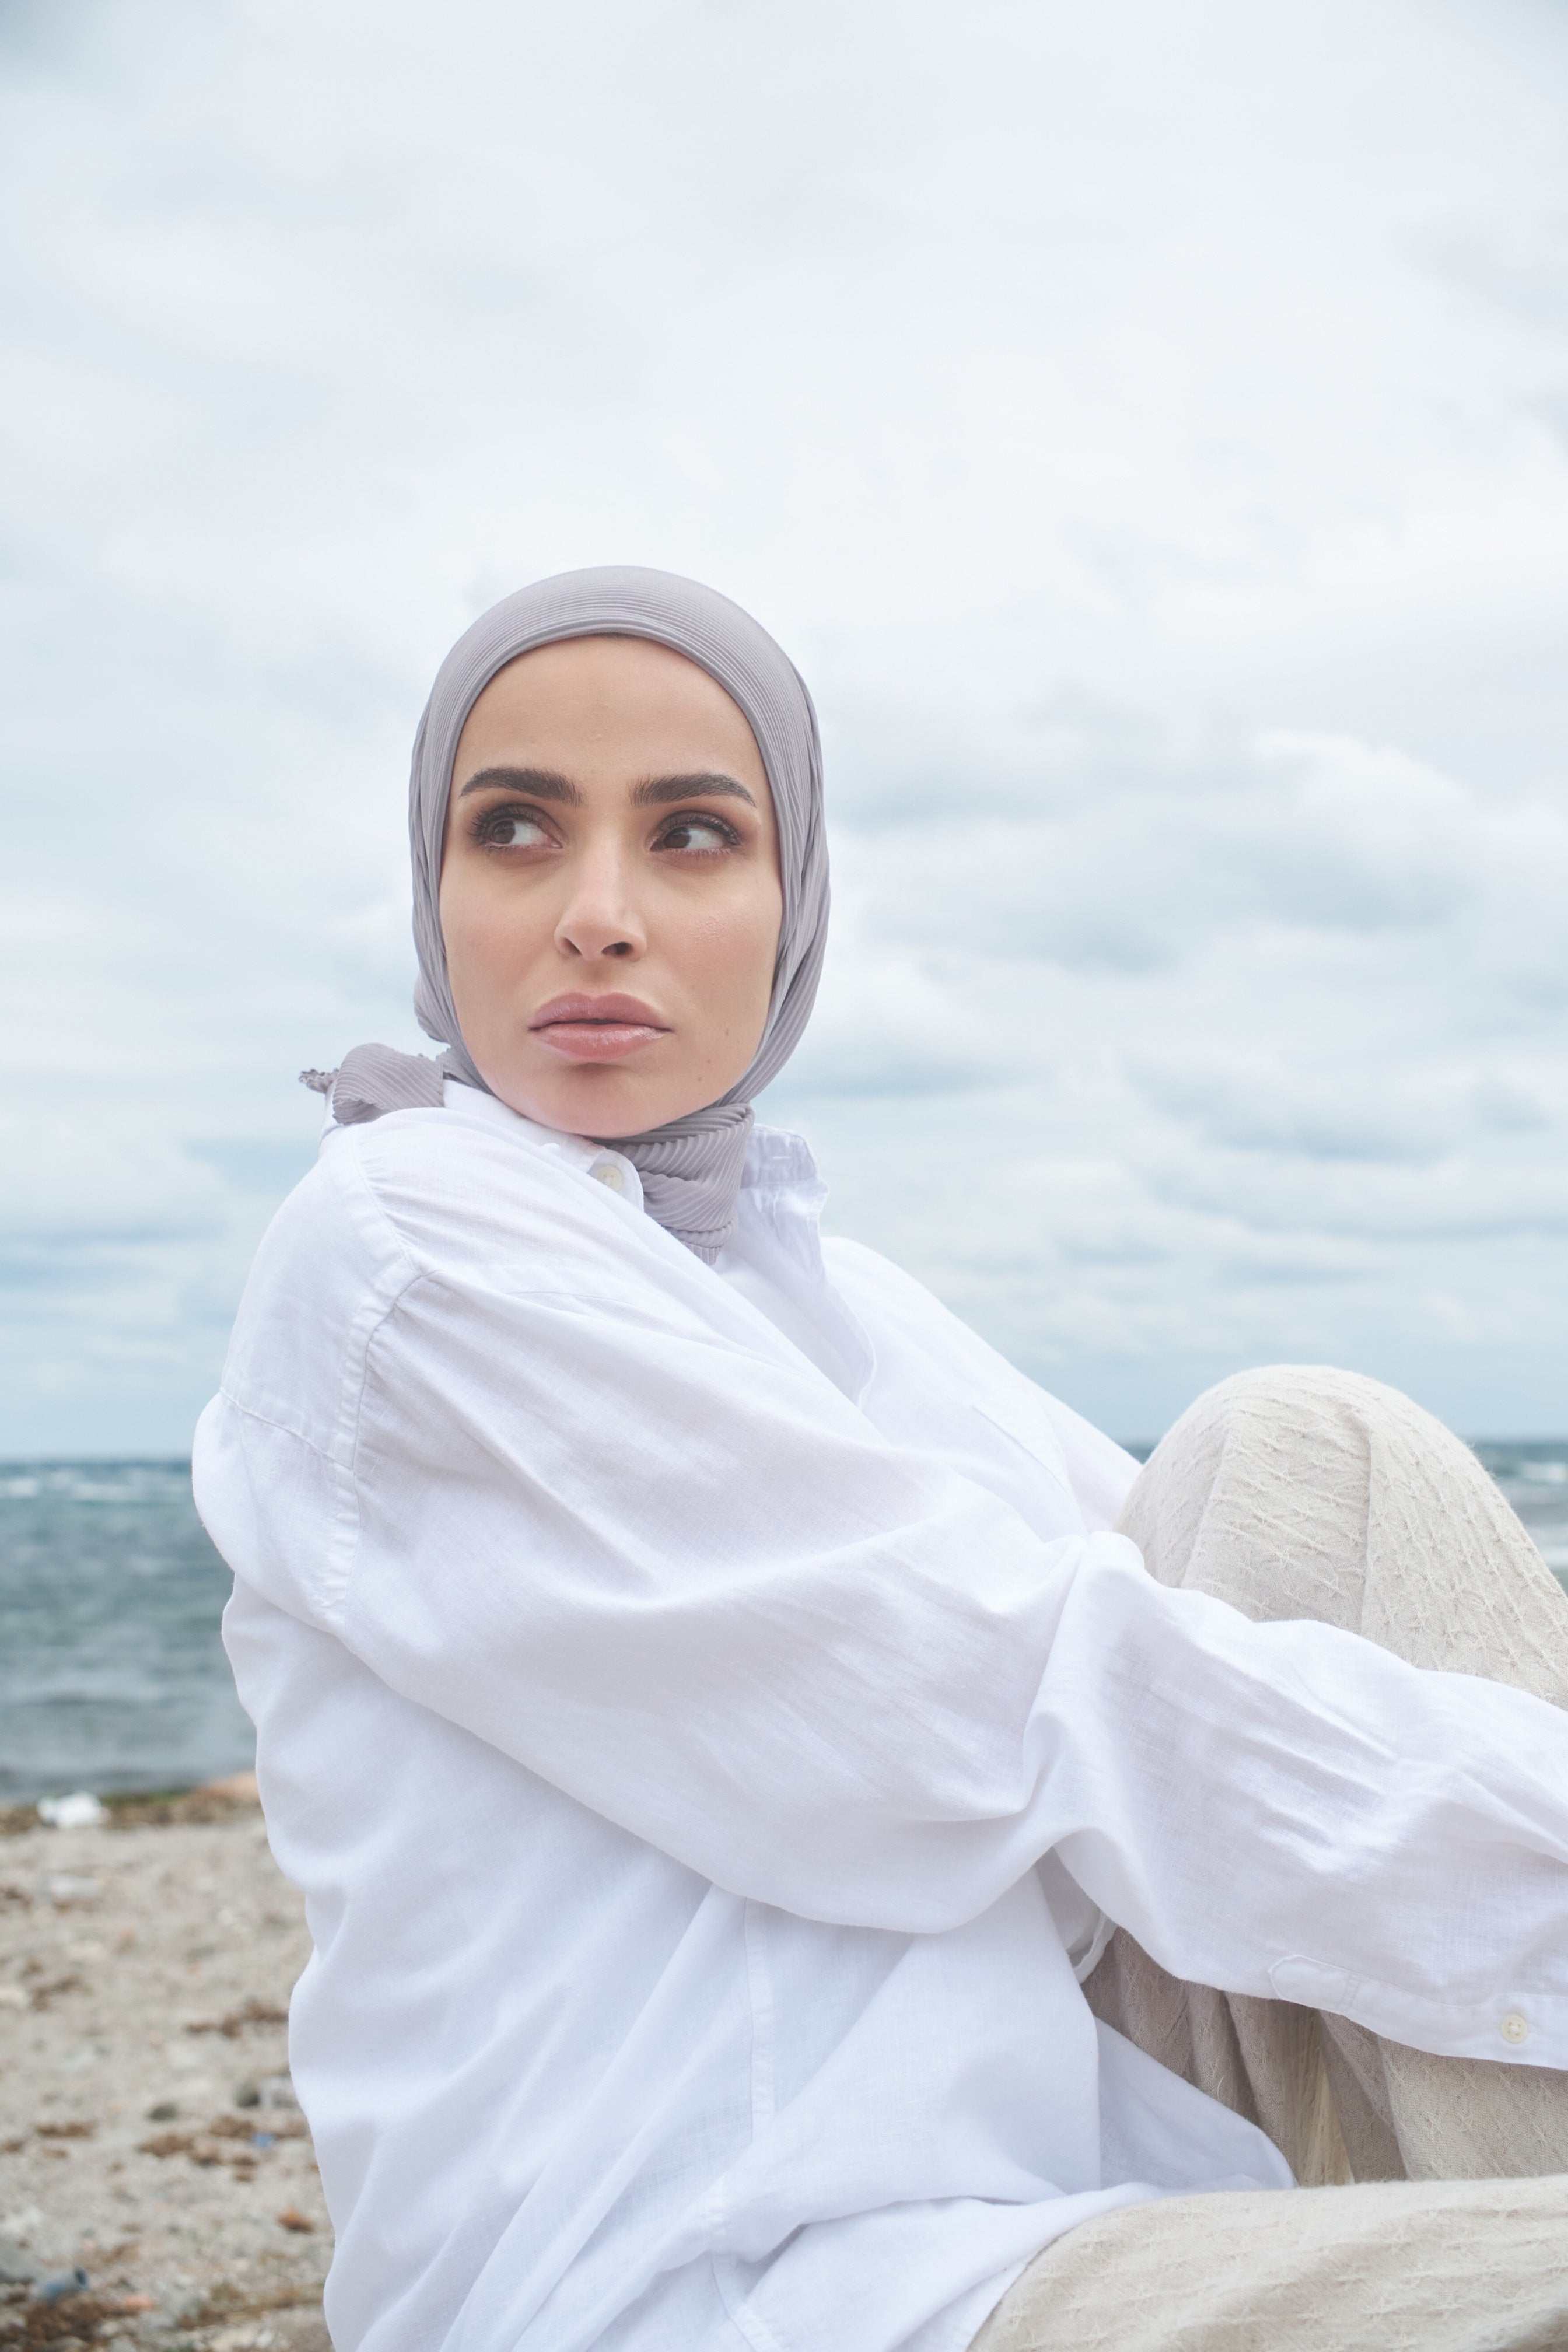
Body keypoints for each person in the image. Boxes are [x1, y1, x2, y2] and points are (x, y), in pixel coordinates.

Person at [192, 568, 1568, 2352]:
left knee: (1304, 1452)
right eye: (517, 829)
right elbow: (1011, 1698)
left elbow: (1181, 1631)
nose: (598, 914)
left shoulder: (828, 1294)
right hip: (713, 2290)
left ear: (795, 902)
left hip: (1052, 2189)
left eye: (692, 835)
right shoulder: (402, 1252)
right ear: (435, 892)